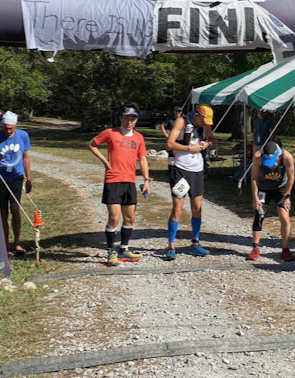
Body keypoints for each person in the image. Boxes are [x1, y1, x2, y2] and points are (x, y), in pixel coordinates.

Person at [88, 105, 151, 267]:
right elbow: (92, 144)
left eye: (133, 118)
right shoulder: (110, 133)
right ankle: (110, 252)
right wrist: (104, 160)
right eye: (126, 118)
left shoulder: (139, 137)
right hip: (113, 180)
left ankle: (124, 249)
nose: (129, 121)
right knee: (114, 218)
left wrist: (146, 180)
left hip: (129, 181)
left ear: (136, 120)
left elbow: (142, 159)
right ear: (121, 118)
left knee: (130, 218)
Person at [164, 104, 215, 260]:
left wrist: (206, 144)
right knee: (178, 207)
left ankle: (195, 243)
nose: (205, 124)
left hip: (197, 169)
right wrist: (188, 148)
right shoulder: (181, 121)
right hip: (179, 169)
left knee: (197, 207)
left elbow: (211, 138)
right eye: (203, 121)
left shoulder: (205, 125)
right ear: (196, 115)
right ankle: (171, 246)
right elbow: (169, 144)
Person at [0, 111, 32, 257]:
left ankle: (17, 242)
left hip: (16, 177)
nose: (8, 131)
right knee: (2, 212)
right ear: (2, 125)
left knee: (15, 208)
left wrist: (29, 178)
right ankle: (5, 245)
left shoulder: (23, 136)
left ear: (15, 125)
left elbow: (25, 158)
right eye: (5, 128)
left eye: (11, 128)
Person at [247, 140, 295, 261]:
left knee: (285, 218)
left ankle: (285, 249)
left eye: (272, 162)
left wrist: (286, 196)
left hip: (281, 188)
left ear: (277, 155)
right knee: (259, 215)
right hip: (263, 188)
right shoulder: (257, 157)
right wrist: (255, 197)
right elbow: (254, 178)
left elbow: (291, 177)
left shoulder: (287, 157)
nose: (270, 166)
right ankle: (255, 248)